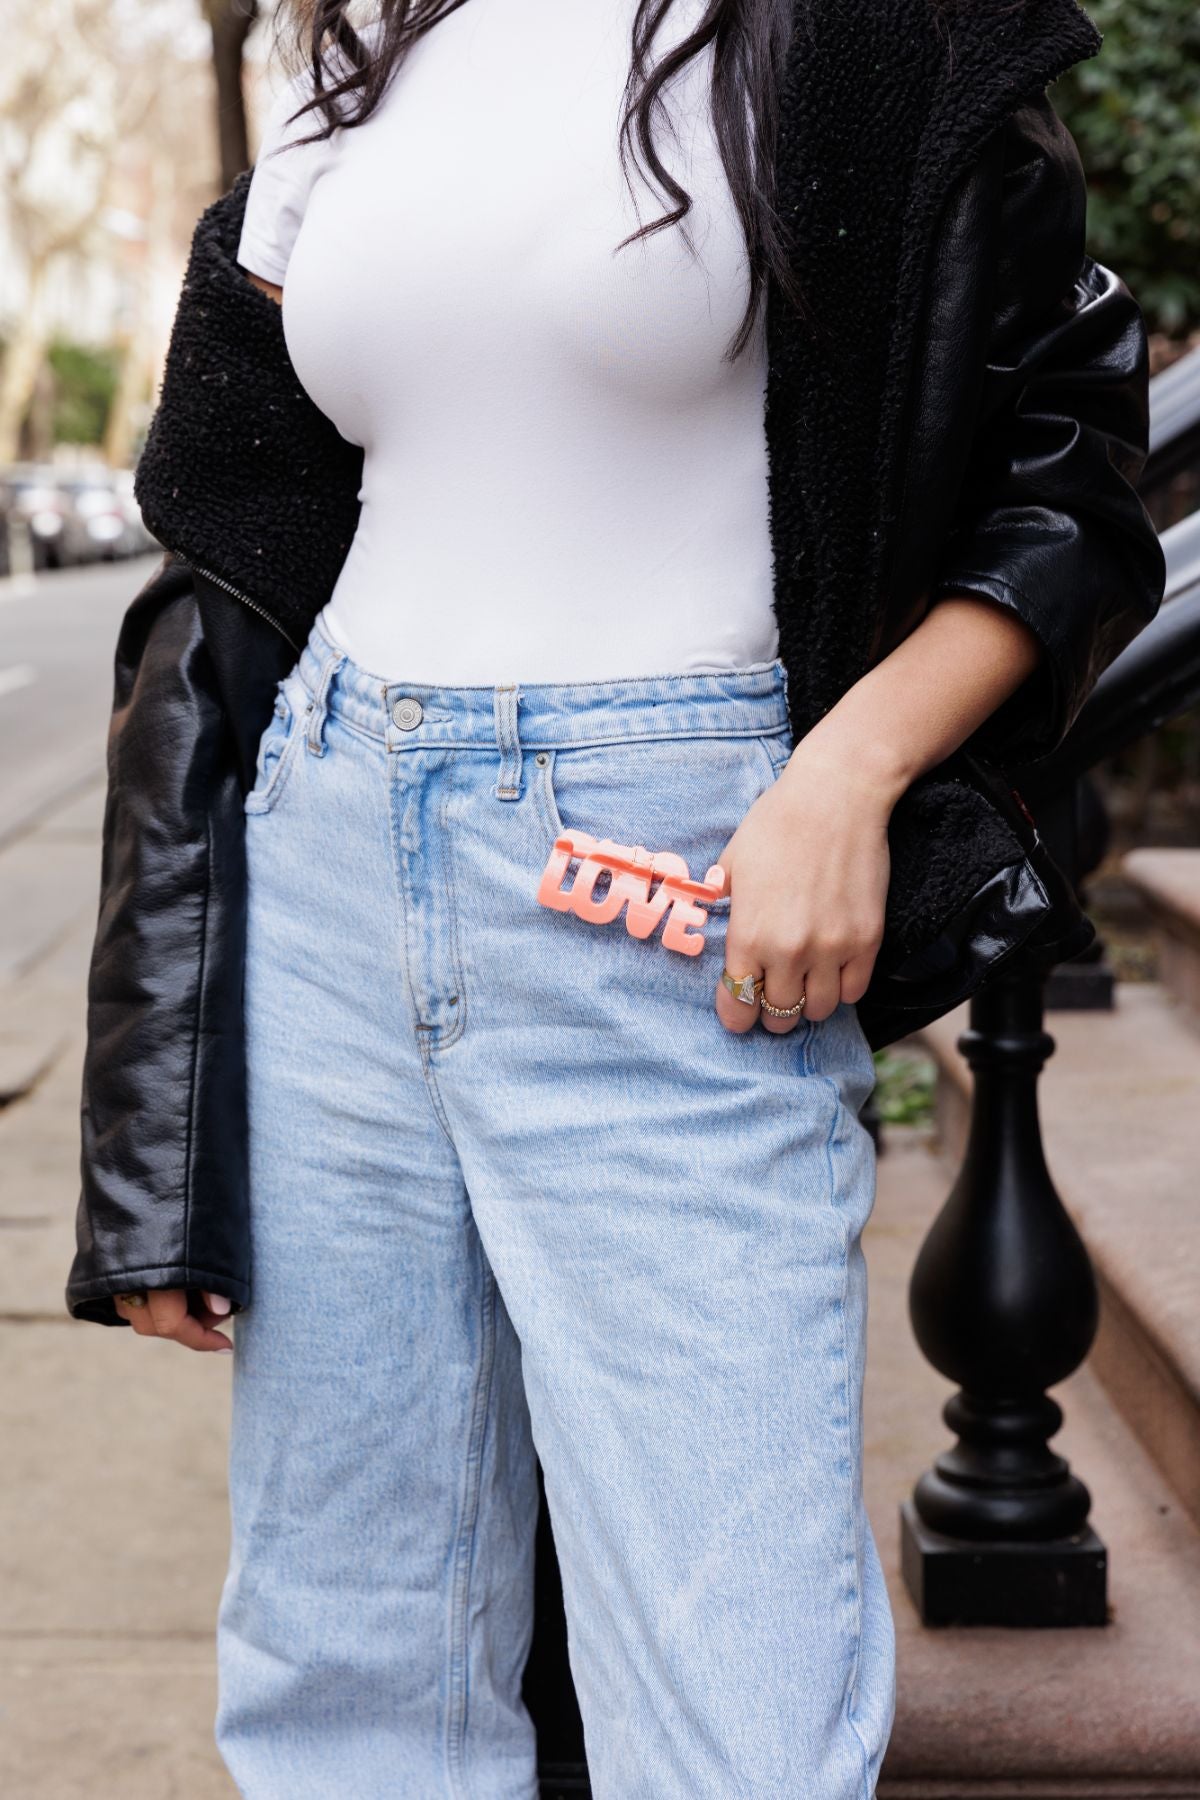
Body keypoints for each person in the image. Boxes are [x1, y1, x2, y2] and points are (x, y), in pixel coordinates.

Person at [66, 1, 1165, 1795]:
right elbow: (228, 562)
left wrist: (851, 770)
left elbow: (1074, 466)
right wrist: (151, 1128)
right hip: (333, 855)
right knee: (343, 1664)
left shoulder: (869, 34)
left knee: (730, 1694)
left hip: (667, 878)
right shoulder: (347, 35)